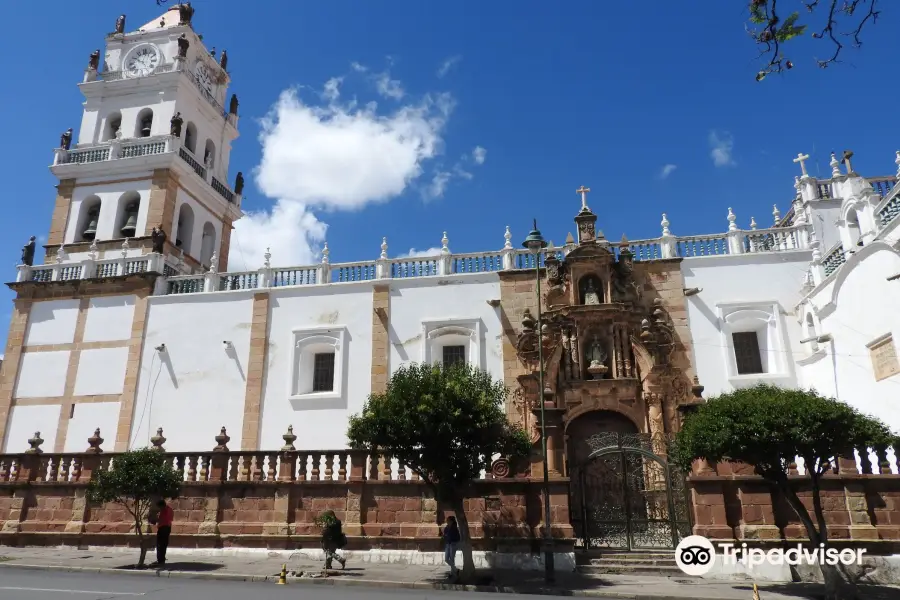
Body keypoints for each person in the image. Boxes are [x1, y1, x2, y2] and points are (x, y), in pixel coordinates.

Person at [150, 499, 173, 567]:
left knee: (160, 545)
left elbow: (161, 520)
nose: (159, 508)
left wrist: (154, 521)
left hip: (163, 528)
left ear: (161, 506)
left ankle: (160, 560)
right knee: (164, 544)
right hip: (168, 528)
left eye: (159, 507)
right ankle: (162, 559)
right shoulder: (170, 509)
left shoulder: (164, 511)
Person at [441, 515, 461, 579]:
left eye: (448, 520)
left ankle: (452, 573)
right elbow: (445, 535)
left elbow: (458, 537)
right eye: (447, 520)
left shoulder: (455, 528)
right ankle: (455, 570)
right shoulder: (447, 528)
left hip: (453, 544)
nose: (447, 521)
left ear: (452, 521)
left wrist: (451, 539)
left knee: (452, 559)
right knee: (446, 559)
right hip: (448, 544)